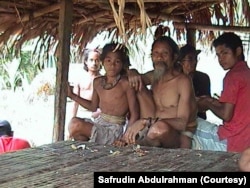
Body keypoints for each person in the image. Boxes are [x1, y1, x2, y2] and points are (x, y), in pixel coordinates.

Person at [117, 36, 198, 149]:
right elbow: (131, 79)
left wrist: (145, 122)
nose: (159, 57)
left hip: (174, 132)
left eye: (165, 53)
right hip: (150, 127)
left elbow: (182, 123)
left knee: (159, 128)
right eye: (156, 53)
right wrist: (132, 71)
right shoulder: (154, 76)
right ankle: (132, 136)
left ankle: (140, 144)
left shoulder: (183, 81)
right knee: (136, 84)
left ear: (174, 57)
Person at [67, 42, 140, 145]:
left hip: (114, 131)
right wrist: (72, 95)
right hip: (99, 123)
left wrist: (125, 138)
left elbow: (134, 113)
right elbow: (93, 107)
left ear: (122, 64)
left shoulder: (125, 84)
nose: (112, 65)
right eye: (108, 60)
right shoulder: (98, 82)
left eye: (117, 61)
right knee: (73, 125)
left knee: (75, 125)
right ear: (102, 62)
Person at [193, 32, 250, 152]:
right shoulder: (246, 73)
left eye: (225, 53)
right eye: (218, 55)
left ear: (238, 51)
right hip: (246, 140)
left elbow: (226, 115)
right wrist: (212, 101)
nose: (221, 59)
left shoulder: (233, 76)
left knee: (191, 124)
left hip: (233, 141)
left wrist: (208, 104)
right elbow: (235, 107)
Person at [178, 44, 211, 119]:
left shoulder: (203, 78)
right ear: (181, 62)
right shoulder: (175, 79)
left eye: (196, 59)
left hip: (199, 119)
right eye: (190, 59)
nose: (194, 62)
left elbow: (207, 104)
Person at [71, 49, 102, 120]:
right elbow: (75, 101)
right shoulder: (80, 79)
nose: (94, 63)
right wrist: (73, 118)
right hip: (83, 112)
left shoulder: (104, 80)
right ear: (86, 62)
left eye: (97, 60)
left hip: (99, 114)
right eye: (91, 60)